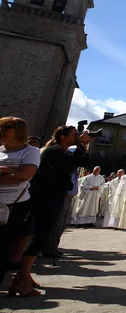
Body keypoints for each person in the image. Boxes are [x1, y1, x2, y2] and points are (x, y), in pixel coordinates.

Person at [16, 125, 90, 296]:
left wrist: (82, 144)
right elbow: (76, 161)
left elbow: (82, 162)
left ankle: (24, 275)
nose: (76, 137)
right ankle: (22, 278)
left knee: (39, 234)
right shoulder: (55, 151)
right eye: (74, 135)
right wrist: (82, 143)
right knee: (39, 235)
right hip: (46, 197)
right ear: (63, 137)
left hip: (51, 195)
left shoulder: (59, 151)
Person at [0, 117, 40, 291]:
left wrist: (12, 172)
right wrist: (13, 171)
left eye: (4, 127)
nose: (0, 130)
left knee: (3, 248)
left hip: (14, 205)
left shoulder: (30, 151)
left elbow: (25, 174)